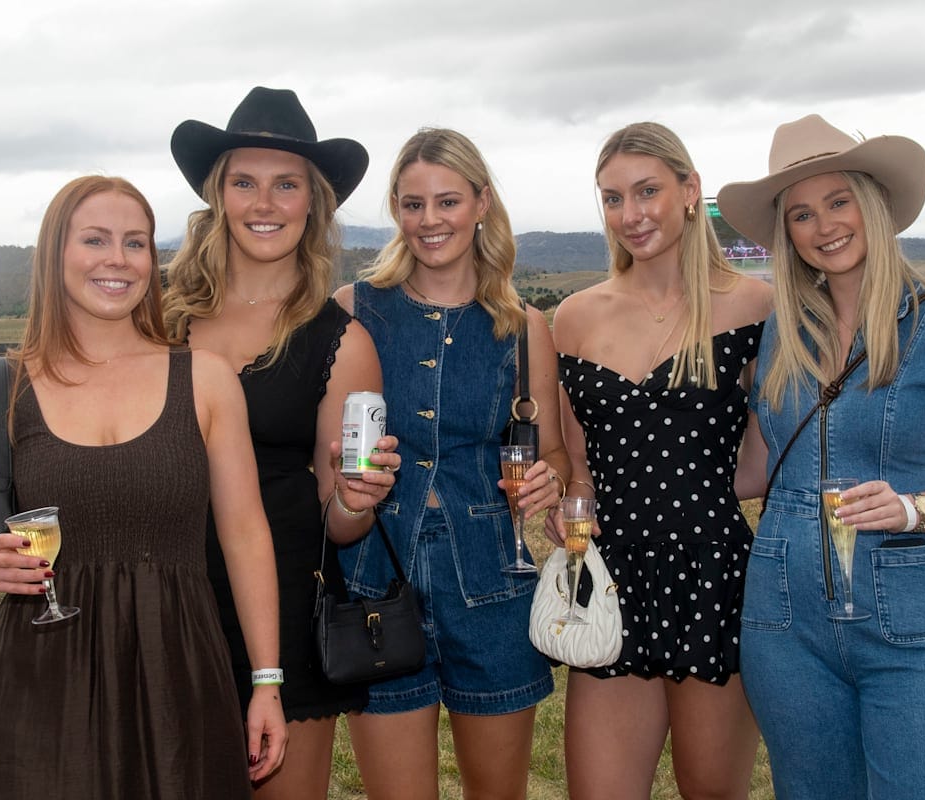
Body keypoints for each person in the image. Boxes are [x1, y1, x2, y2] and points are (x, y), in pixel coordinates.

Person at [0, 175, 287, 797]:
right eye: (95, 239)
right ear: (55, 253)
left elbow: (245, 536)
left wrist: (266, 682)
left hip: (178, 671)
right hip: (40, 677)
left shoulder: (205, 380)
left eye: (136, 242)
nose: (117, 259)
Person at [717, 114, 925, 798]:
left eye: (838, 201)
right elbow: (755, 471)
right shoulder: (779, 336)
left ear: (873, 204)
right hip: (784, 619)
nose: (823, 226)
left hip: (908, 612)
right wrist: (619, 470)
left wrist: (912, 507)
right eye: (801, 214)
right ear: (787, 234)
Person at [163, 87, 400, 800]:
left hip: (285, 608)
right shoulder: (161, 319)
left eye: (286, 184)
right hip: (167, 599)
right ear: (219, 195)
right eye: (244, 182)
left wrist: (358, 499)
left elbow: (340, 522)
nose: (264, 203)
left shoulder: (343, 343)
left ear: (314, 203)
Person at [333, 127, 569, 800]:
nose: (429, 220)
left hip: (492, 583)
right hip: (377, 579)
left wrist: (549, 479)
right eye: (413, 204)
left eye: (447, 201)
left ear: (481, 203)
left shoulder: (523, 328)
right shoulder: (354, 311)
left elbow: (550, 450)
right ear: (396, 209)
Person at [547, 122, 772, 800]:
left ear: (690, 190)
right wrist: (569, 509)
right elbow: (579, 465)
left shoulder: (755, 305)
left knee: (712, 789)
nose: (631, 214)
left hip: (715, 578)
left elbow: (769, 458)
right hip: (609, 582)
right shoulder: (575, 316)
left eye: (647, 191)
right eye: (613, 198)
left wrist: (697, 496)